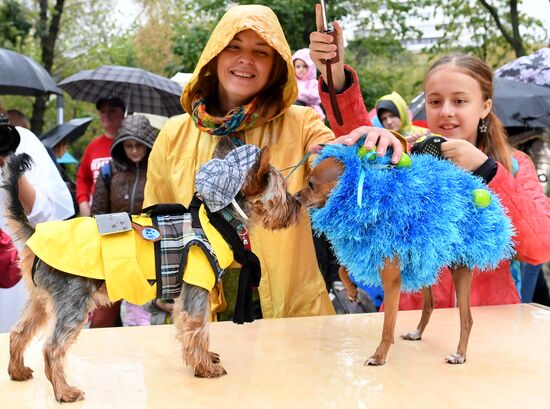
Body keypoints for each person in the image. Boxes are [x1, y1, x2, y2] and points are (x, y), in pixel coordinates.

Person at [143, 4, 405, 320]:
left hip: (291, 316)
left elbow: (345, 165)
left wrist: (335, 77)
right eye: (233, 47)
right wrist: (160, 285)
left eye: (261, 52)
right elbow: (153, 220)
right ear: (214, 56)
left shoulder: (301, 123)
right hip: (202, 312)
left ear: (276, 65)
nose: (245, 59)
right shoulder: (174, 133)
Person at [309, 16, 550, 308]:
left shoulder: (512, 165)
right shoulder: (406, 155)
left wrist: (486, 170)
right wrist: (335, 78)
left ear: (484, 106)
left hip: (488, 322)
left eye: (460, 101)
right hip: (409, 318)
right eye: (435, 101)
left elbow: (539, 248)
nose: (446, 111)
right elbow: (361, 137)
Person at [0, 109, 74, 332]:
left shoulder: (20, 141)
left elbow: (49, 214)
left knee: (17, 341)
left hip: (17, 269)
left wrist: (10, 165)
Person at [91, 114, 157, 327]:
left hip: (146, 251)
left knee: (142, 319)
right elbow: (97, 216)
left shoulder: (158, 172)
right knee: (101, 318)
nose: (135, 150)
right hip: (112, 251)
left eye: (139, 145)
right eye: (128, 145)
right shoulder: (109, 171)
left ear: (149, 144)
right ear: (121, 146)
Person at [76, 96, 125, 217]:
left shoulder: (130, 146)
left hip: (124, 211)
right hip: (96, 211)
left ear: (123, 114)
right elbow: (83, 178)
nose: (106, 114)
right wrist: (83, 203)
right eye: (103, 111)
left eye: (112, 110)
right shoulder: (93, 147)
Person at [292, 48, 325, 120]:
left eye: (304, 66)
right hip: (295, 112)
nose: (301, 69)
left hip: (312, 112)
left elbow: (318, 97)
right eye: (298, 66)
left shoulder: (313, 83)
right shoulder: (293, 82)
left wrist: (302, 95)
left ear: (311, 67)